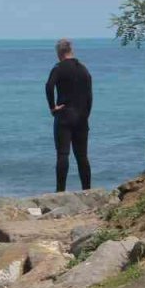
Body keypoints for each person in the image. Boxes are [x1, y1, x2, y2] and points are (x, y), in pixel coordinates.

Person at [45, 39, 93, 191]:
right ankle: (87, 190)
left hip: (64, 115)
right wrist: (86, 114)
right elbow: (89, 96)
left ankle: (60, 190)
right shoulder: (84, 69)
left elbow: (49, 86)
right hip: (81, 116)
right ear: (71, 50)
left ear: (59, 53)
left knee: (63, 154)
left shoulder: (58, 68)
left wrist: (52, 107)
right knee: (82, 156)